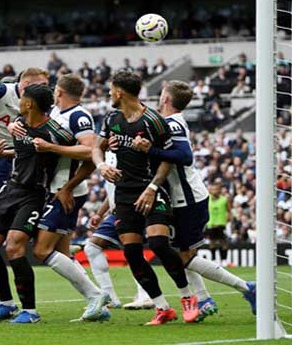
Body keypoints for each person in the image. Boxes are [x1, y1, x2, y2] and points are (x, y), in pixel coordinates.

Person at [131, 81, 256, 320]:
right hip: (181, 198)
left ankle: (247, 288)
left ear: (166, 99)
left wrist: (150, 151)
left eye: (161, 95)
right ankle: (205, 299)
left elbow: (185, 156)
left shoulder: (173, 123)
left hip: (189, 199)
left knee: (185, 257)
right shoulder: (168, 122)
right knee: (182, 254)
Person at [92, 71, 200, 326]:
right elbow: (97, 147)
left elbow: (168, 158)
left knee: (160, 244)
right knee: (131, 252)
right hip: (124, 193)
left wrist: (152, 188)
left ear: (119, 92)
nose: (108, 94)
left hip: (151, 189)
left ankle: (188, 297)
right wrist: (101, 166)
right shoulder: (111, 118)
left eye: (110, 89)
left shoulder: (153, 120)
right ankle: (162, 307)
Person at [0, 84, 74, 324]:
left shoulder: (54, 130)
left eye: (22, 99)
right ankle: (6, 304)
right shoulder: (19, 123)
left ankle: (30, 311)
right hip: (10, 189)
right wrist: (6, 153)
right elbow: (26, 152)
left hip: (34, 193)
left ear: (30, 103)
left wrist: (67, 184)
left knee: (13, 246)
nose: (18, 101)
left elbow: (82, 151)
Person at [19, 74, 109, 321]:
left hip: (65, 191)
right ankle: (98, 304)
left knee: (40, 250)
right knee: (62, 252)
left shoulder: (78, 116)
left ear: (58, 92)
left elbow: (91, 151)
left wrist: (66, 183)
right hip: (56, 189)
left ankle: (95, 295)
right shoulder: (58, 116)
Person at [84, 150, 153, 311]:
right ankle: (110, 297)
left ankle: (146, 295)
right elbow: (112, 191)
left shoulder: (128, 149)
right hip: (116, 211)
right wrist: (100, 213)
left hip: (133, 207)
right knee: (92, 247)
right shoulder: (107, 155)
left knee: (133, 250)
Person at [0, 67, 49, 197]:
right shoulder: (5, 89)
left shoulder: (38, 100)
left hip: (20, 148)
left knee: (23, 189)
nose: (46, 88)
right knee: (9, 193)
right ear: (27, 84)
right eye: (43, 85)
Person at [205, 179, 231, 265]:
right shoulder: (207, 199)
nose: (214, 191)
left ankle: (224, 260)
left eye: (216, 189)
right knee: (212, 243)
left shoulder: (224, 200)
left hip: (221, 224)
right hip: (211, 224)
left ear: (219, 190)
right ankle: (213, 260)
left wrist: (229, 222)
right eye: (212, 189)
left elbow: (229, 211)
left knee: (223, 242)